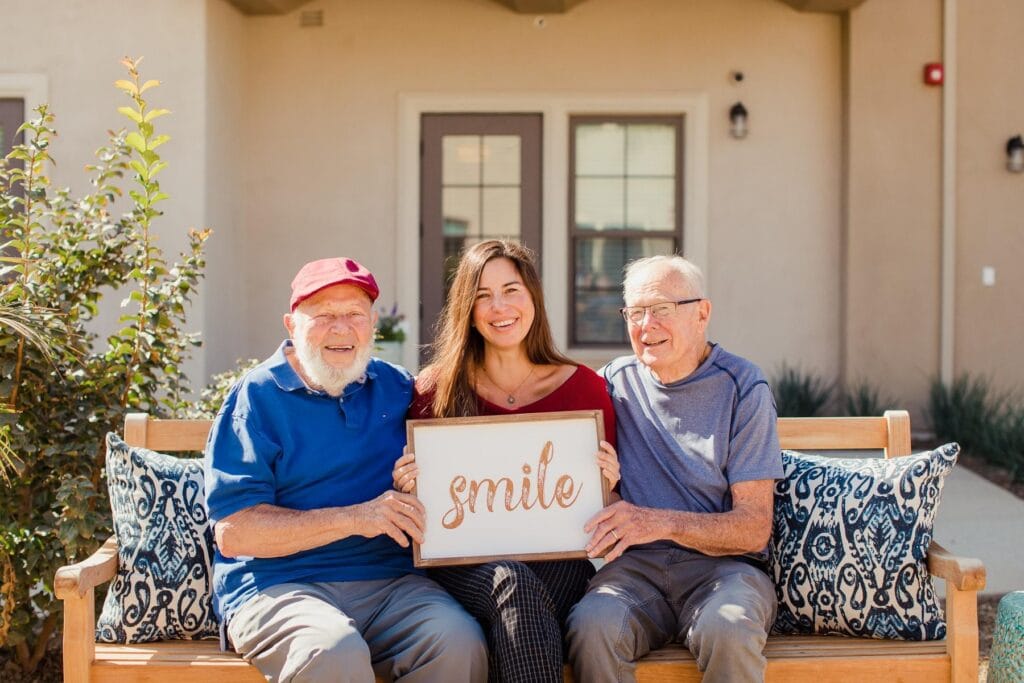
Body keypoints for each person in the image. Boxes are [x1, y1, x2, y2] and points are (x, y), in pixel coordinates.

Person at [204, 257, 487, 683]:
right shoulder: (257, 397)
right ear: (291, 325)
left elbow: (458, 462)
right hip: (279, 585)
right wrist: (358, 517)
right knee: (333, 650)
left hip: (390, 584)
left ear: (373, 324)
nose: (341, 328)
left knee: (458, 641)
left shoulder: (396, 387)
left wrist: (421, 480)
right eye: (323, 316)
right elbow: (235, 531)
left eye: (354, 314)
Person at [392, 239, 619, 683]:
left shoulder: (585, 390)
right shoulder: (433, 391)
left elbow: (603, 516)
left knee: (520, 594)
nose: (500, 307)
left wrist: (608, 484)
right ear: (467, 309)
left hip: (559, 562)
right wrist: (408, 487)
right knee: (513, 583)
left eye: (511, 289)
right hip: (462, 566)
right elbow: (423, 515)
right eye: (482, 295)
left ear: (532, 296)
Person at [566, 255, 783, 683]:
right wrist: (604, 488)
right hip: (635, 573)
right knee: (592, 626)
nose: (647, 326)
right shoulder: (611, 384)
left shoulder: (743, 388)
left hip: (725, 570)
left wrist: (655, 521)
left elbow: (754, 528)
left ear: (702, 313)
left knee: (730, 627)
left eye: (662, 310)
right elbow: (580, 485)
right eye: (636, 313)